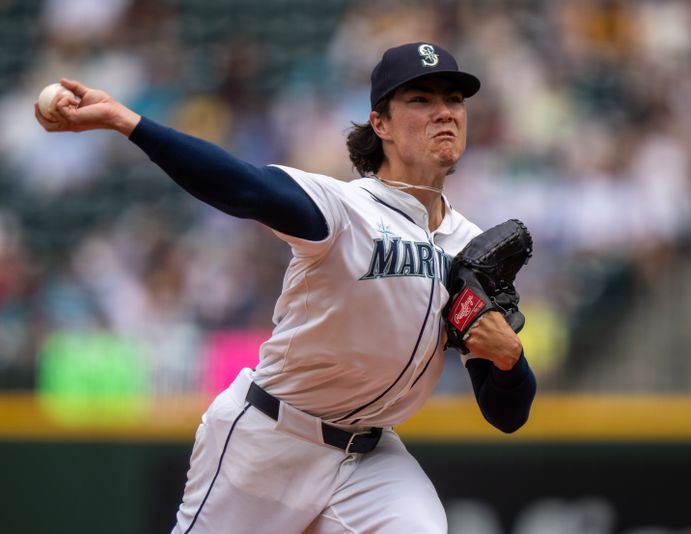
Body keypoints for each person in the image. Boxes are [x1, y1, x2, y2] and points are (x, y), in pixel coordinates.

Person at [35, 42, 536, 534]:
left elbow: (506, 414)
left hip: (369, 460)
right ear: (380, 124)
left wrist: (509, 359)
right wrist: (130, 123)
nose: (444, 112)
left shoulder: (472, 249)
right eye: (421, 100)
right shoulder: (345, 209)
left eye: (454, 99)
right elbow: (243, 187)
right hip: (269, 441)